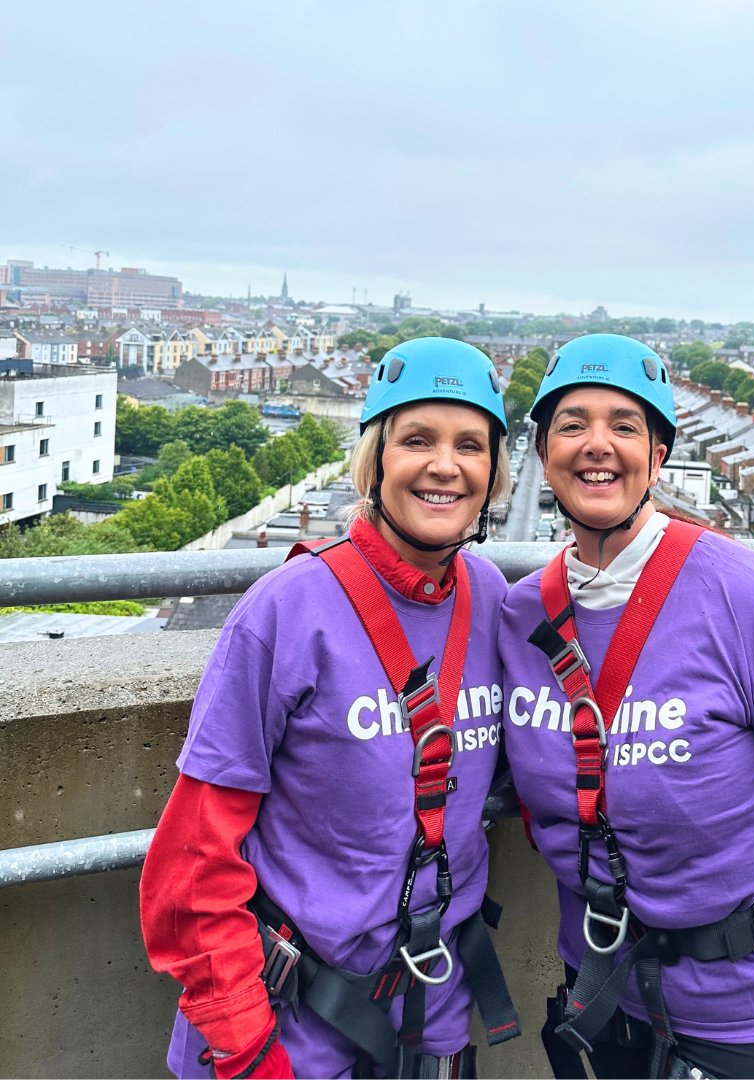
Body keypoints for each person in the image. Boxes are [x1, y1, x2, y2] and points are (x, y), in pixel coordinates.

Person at [498, 334, 754, 1080]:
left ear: (658, 456)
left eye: (625, 426)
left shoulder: (745, 596)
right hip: (604, 1006)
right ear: (542, 453)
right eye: (571, 425)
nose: (598, 446)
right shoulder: (522, 616)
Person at [141, 337, 519, 1080]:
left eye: (470, 445)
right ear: (374, 460)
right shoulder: (288, 611)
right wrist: (246, 1045)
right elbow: (193, 859)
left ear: (494, 474)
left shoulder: (493, 603)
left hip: (429, 1018)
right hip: (288, 1028)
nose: (446, 465)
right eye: (417, 440)